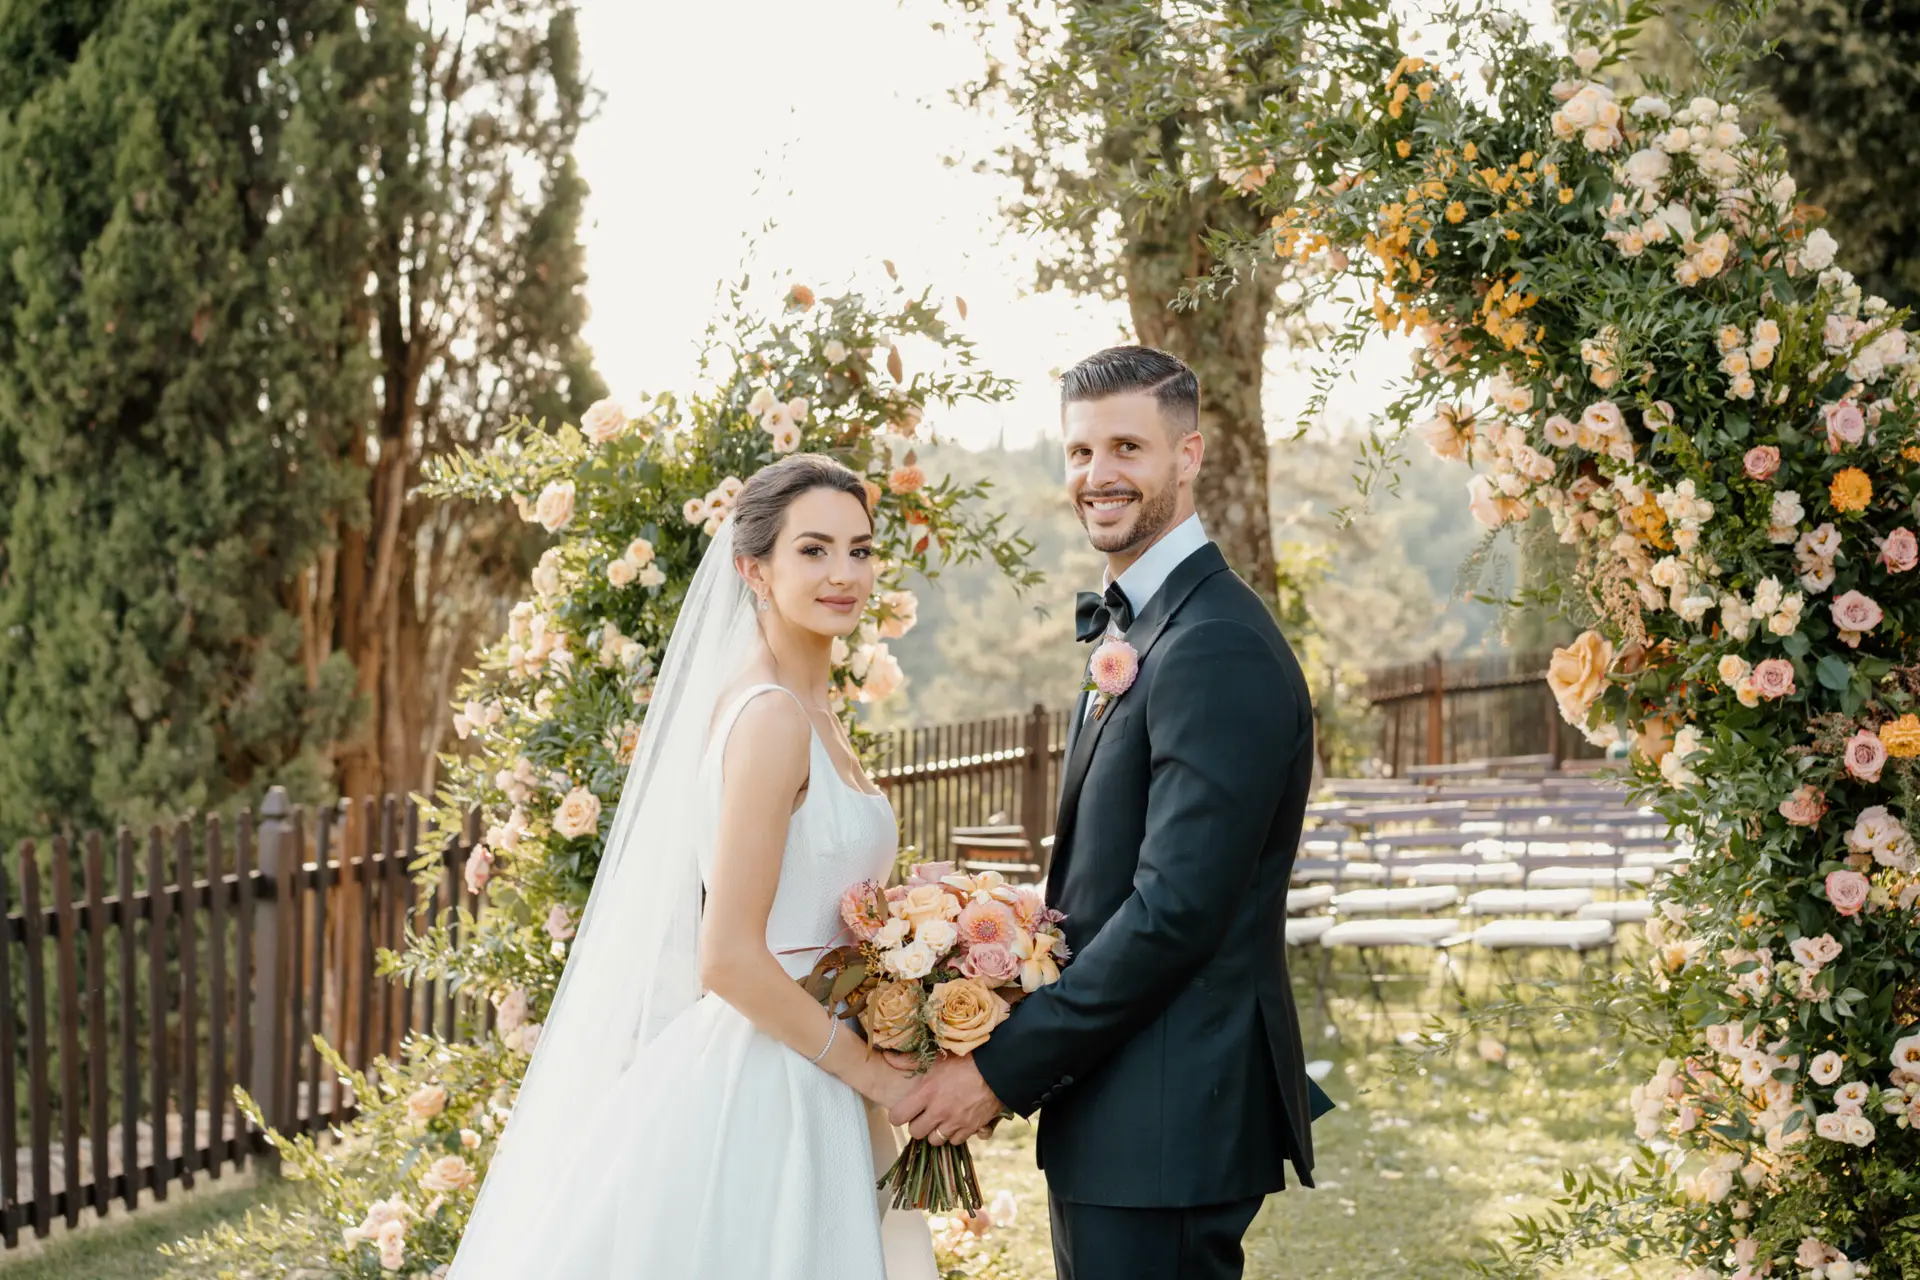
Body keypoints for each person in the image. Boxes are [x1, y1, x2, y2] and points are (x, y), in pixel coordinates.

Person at [891, 345, 1325, 1280]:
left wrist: (1000, 1069)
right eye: (1081, 452)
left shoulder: (1213, 644)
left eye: (1128, 446)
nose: (1099, 474)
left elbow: (1176, 915)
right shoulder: (1148, 624)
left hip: (1167, 1115)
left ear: (1190, 454)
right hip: (1124, 1109)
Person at [447, 454, 934, 1279]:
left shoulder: (816, 712)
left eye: (860, 549)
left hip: (826, 1063)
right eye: (812, 551)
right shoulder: (772, 718)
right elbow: (729, 957)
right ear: (753, 569)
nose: (844, 573)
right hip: (779, 1086)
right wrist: (872, 1077)